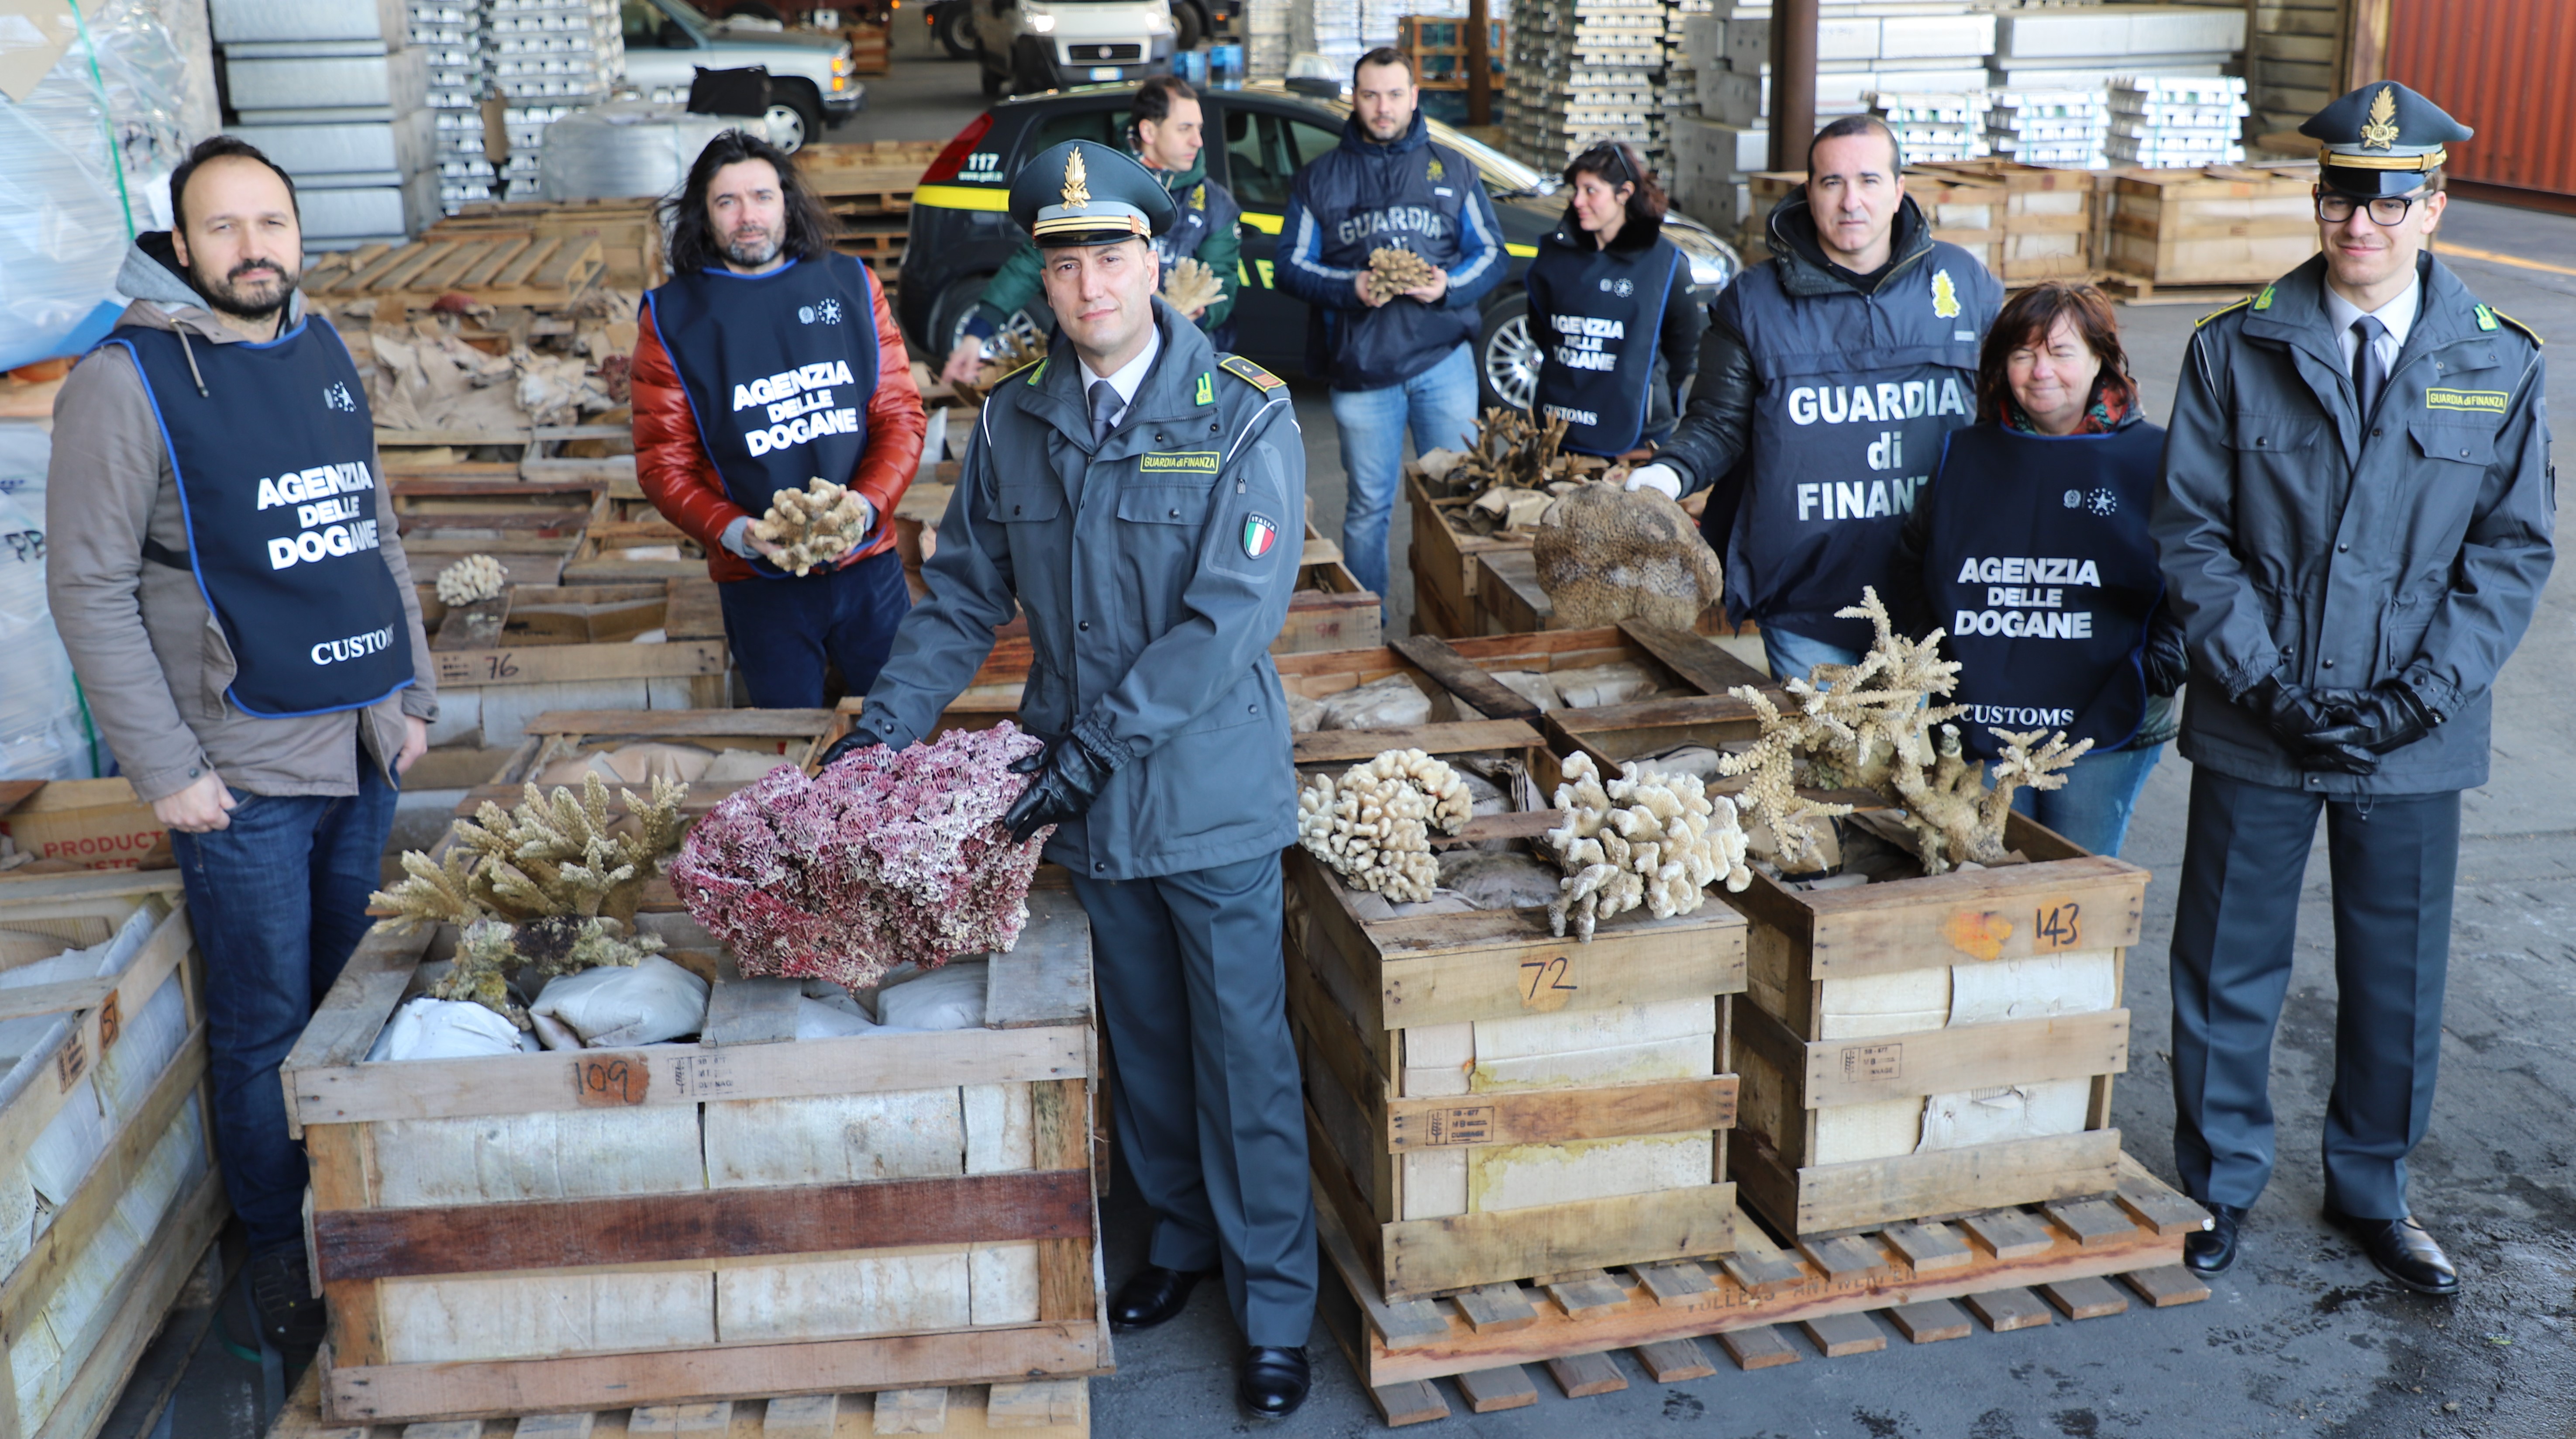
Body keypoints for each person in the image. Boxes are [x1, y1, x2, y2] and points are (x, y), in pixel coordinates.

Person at [823, 141, 1319, 1418]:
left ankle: (1273, 1304)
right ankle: (1179, 1244)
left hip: (1202, 798)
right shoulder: (1018, 423)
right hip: (1085, 811)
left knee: (1244, 1059)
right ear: (1036, 277)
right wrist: (883, 731)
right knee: (1146, 1044)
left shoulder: (1243, 412)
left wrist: (1090, 750)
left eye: (1111, 253)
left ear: (1158, 263)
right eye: (1063, 259)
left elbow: (1227, 622)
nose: (1089, 281)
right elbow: (966, 597)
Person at [2152, 82, 2553, 1294]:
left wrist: (2414, 698)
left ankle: (2372, 1191)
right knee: (2226, 960)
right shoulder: (2235, 346)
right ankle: (2217, 1184)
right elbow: (2189, 534)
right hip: (2253, 713)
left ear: (2434, 207)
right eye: (2340, 194)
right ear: (2316, 200)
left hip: (2411, 734)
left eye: (2388, 199)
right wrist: (2261, 684)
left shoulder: (2497, 358)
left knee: (2396, 968)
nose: (2358, 222)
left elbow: (2508, 552)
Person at [45, 136, 437, 1356]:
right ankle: (281, 1250)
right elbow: (89, 585)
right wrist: (168, 769)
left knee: (346, 1000)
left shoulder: (319, 343)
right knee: (265, 1022)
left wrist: (413, 685)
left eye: (271, 221)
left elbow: (369, 522)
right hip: (244, 768)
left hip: (362, 742)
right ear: (179, 245)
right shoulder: (127, 380)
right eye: (224, 227)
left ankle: (351, 1217)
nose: (254, 246)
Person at [1626, 114, 2002, 681]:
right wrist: (1664, 478)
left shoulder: (1963, 283)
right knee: (1833, 764)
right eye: (1832, 183)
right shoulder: (1754, 300)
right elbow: (1717, 423)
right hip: (1805, 596)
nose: (1852, 201)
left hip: (1936, 592)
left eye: (1870, 181)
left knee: (1915, 766)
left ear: (1900, 191)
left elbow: (2016, 405)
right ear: (1809, 192)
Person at [1887, 281, 2183, 858]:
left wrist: (2156, 669)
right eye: (2022, 353)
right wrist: (1947, 667)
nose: (2040, 370)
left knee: (2076, 883)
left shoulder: (2157, 456)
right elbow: (1912, 564)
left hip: (2110, 719)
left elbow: (2200, 580)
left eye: (2060, 351)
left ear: (2102, 358)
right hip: (1986, 717)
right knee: (1992, 879)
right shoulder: (1965, 454)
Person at [633, 129, 925, 707]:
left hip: (868, 567)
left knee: (904, 741)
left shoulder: (850, 284)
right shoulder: (672, 317)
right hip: (759, 584)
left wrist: (865, 507)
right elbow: (663, 465)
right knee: (788, 762)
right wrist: (739, 533)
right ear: (704, 215)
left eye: (762, 197)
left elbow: (899, 415)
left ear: (787, 202)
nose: (748, 216)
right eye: (727, 202)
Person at [1276, 46, 1505, 599]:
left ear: (1414, 97)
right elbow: (1288, 265)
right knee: (1367, 507)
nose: (1382, 107)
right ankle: (1370, 627)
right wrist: (1349, 288)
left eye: (1394, 94)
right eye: (1371, 94)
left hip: (1442, 362)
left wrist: (1445, 286)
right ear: (1354, 98)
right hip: (1361, 368)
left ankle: (1451, 617)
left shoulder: (1452, 168)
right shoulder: (1319, 178)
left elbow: (1493, 255)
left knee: (1458, 498)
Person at [940, 75, 1242, 380]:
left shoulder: (1216, 205)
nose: (1198, 141)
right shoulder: (1093, 185)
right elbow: (1030, 264)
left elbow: (1222, 286)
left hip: (1177, 366)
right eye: (1185, 129)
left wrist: (1196, 313)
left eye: (1199, 129)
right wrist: (979, 330)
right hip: (1078, 365)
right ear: (1149, 130)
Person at [1522, 140, 1705, 459]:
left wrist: (1650, 389)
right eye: (1575, 190)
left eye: (1591, 190)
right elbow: (1541, 328)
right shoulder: (1554, 256)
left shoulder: (1665, 264)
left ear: (1624, 193)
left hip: (1639, 433)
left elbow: (1684, 345)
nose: (1578, 201)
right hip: (1561, 425)